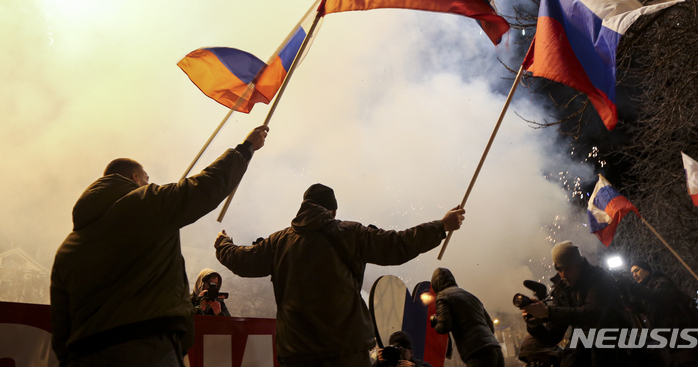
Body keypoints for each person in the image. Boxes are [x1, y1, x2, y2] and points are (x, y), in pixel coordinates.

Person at [50, 125, 269, 367]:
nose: (148, 183)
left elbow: (60, 326)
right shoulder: (146, 204)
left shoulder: (67, 249)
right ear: (135, 178)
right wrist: (245, 149)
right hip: (147, 346)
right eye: (146, 178)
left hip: (84, 355)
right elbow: (204, 188)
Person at [214, 183, 465, 367]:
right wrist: (440, 227)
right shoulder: (350, 233)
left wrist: (223, 243)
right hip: (346, 350)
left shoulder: (278, 242)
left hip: (296, 352)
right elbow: (397, 244)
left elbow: (241, 261)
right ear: (332, 211)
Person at [522, 241, 636, 367]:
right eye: (559, 269)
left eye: (568, 268)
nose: (563, 275)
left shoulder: (599, 279)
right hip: (584, 349)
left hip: (614, 346)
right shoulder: (562, 290)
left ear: (579, 264)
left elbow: (593, 314)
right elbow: (553, 336)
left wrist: (547, 312)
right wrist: (534, 324)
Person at [629, 261, 698, 367]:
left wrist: (633, 288)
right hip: (668, 345)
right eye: (632, 273)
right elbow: (636, 307)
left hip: (683, 341)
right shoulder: (645, 292)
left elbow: (658, 297)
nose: (634, 275)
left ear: (647, 271)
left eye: (637, 270)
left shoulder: (662, 281)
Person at [430, 267, 503, 367]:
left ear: (435, 284)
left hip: (476, 352)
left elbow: (444, 326)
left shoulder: (442, 296)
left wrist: (436, 323)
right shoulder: (471, 296)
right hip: (495, 348)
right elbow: (489, 324)